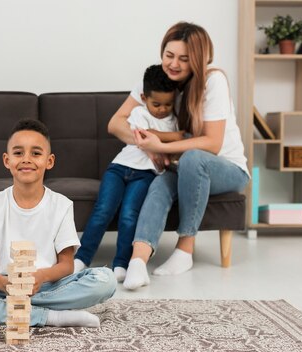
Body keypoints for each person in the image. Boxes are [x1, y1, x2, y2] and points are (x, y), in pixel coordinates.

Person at [105, 22, 250, 290]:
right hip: (184, 166)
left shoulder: (213, 80)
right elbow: (116, 123)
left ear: (198, 58)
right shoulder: (155, 81)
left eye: (184, 58)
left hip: (227, 169)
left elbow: (212, 144)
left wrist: (160, 147)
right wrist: (147, 146)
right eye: (169, 55)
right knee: (159, 184)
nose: (174, 64)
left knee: (194, 157)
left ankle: (185, 250)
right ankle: (138, 262)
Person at [0, 119, 117, 327]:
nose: (27, 159)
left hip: (49, 286)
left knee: (106, 280)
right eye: (18, 153)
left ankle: (20, 310)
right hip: (2, 288)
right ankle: (52, 316)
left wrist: (41, 277)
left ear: (49, 161)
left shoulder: (62, 205)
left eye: (36, 153)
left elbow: (66, 265)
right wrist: (5, 285)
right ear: (7, 160)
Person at [73, 64, 181, 282]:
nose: (162, 109)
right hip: (119, 168)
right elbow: (143, 137)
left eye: (168, 104)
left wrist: (164, 139)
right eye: (156, 104)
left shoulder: (174, 121)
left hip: (146, 175)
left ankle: (121, 263)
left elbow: (179, 138)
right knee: (103, 210)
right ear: (143, 97)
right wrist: (166, 138)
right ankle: (82, 258)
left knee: (130, 215)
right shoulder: (138, 112)